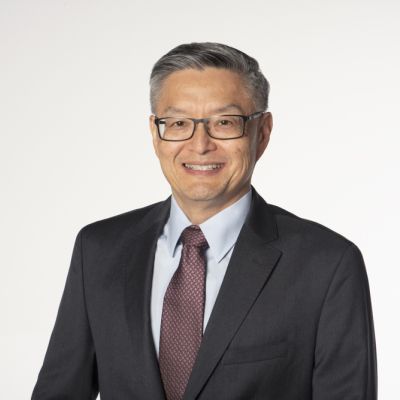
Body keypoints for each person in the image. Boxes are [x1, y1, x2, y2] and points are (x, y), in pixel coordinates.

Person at [32, 42, 377, 400]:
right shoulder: (99, 250)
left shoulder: (327, 265)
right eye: (179, 123)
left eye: (224, 123)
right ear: (155, 133)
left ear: (263, 132)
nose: (199, 145)